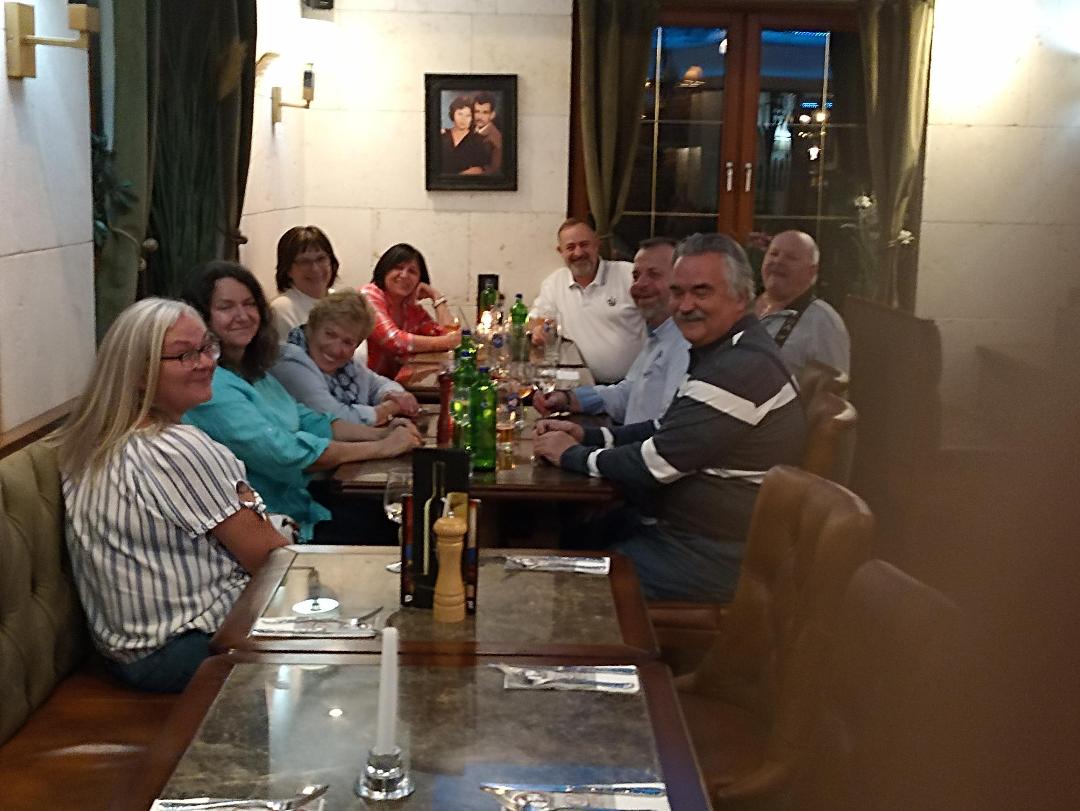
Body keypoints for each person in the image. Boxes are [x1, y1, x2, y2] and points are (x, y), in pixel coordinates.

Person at [533, 233, 806, 602]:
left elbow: (655, 464)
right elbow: (667, 429)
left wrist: (571, 455)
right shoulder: (724, 351)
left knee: (563, 586)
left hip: (716, 554)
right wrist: (588, 437)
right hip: (691, 533)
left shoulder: (742, 368)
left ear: (742, 297)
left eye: (702, 292)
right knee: (571, 537)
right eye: (678, 292)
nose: (685, 305)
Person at [52, 298, 290, 693]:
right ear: (138, 372)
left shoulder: (95, 441)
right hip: (183, 650)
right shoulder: (174, 448)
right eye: (184, 355)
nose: (206, 362)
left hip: (132, 653)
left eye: (206, 347)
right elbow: (271, 560)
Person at [182, 262, 422, 543]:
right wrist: (382, 447)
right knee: (408, 526)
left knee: (417, 513)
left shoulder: (253, 369)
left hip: (304, 505)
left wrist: (383, 433)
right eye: (226, 307)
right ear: (201, 317)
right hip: (273, 528)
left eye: (249, 304)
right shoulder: (212, 384)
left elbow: (310, 419)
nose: (242, 316)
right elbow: (285, 454)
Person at [534, 236, 689, 425]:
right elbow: (626, 394)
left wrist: (595, 441)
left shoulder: (685, 345)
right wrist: (568, 399)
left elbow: (666, 431)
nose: (640, 285)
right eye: (636, 276)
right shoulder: (658, 336)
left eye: (654, 275)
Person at [270, 289, 420, 426]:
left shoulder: (347, 366)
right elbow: (335, 419)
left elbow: (379, 384)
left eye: (348, 342)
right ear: (312, 328)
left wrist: (391, 396)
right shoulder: (290, 360)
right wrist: (388, 409)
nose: (336, 349)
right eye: (330, 334)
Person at [529, 218, 645, 384]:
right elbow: (536, 319)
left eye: (584, 245)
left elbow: (660, 319)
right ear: (560, 251)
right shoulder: (554, 283)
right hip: (580, 386)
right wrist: (538, 329)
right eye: (570, 247)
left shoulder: (628, 275)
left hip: (631, 386)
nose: (578, 253)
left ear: (597, 244)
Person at [754, 230, 850, 376]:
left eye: (791, 258)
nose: (778, 261)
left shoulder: (824, 323)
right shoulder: (741, 304)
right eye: (773, 254)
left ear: (811, 271)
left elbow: (830, 388)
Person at [361, 243, 461, 378]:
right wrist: (447, 341)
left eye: (412, 271)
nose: (404, 275)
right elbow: (394, 340)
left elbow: (449, 334)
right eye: (398, 268)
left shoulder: (411, 308)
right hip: (361, 384)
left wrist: (436, 297)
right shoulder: (369, 294)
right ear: (384, 270)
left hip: (391, 383)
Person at [268, 225, 340, 342]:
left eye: (321, 259)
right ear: (288, 269)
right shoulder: (282, 309)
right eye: (304, 262)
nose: (315, 268)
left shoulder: (341, 301)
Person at [439, 95, 488, 175]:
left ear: (472, 118)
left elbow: (480, 168)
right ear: (453, 114)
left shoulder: (478, 140)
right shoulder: (442, 136)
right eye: (460, 114)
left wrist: (456, 178)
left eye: (468, 115)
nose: (463, 119)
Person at [472, 91, 503, 174]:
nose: (479, 117)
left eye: (485, 112)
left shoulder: (496, 140)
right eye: (477, 111)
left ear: (492, 115)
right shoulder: (470, 128)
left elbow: (493, 171)